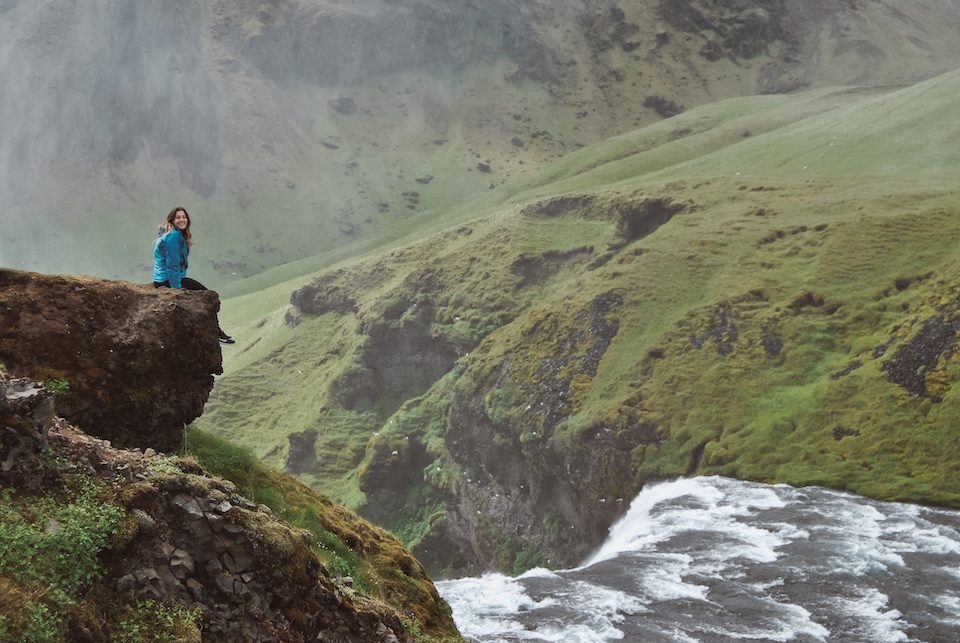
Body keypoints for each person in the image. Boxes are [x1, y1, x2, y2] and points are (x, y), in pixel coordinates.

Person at [153, 206, 235, 344]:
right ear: (172, 220)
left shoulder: (175, 234)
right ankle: (217, 334)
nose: (182, 219)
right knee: (207, 296)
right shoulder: (173, 236)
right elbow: (172, 264)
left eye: (184, 217)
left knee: (204, 295)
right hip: (167, 280)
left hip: (166, 278)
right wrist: (176, 290)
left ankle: (217, 333)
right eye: (178, 217)